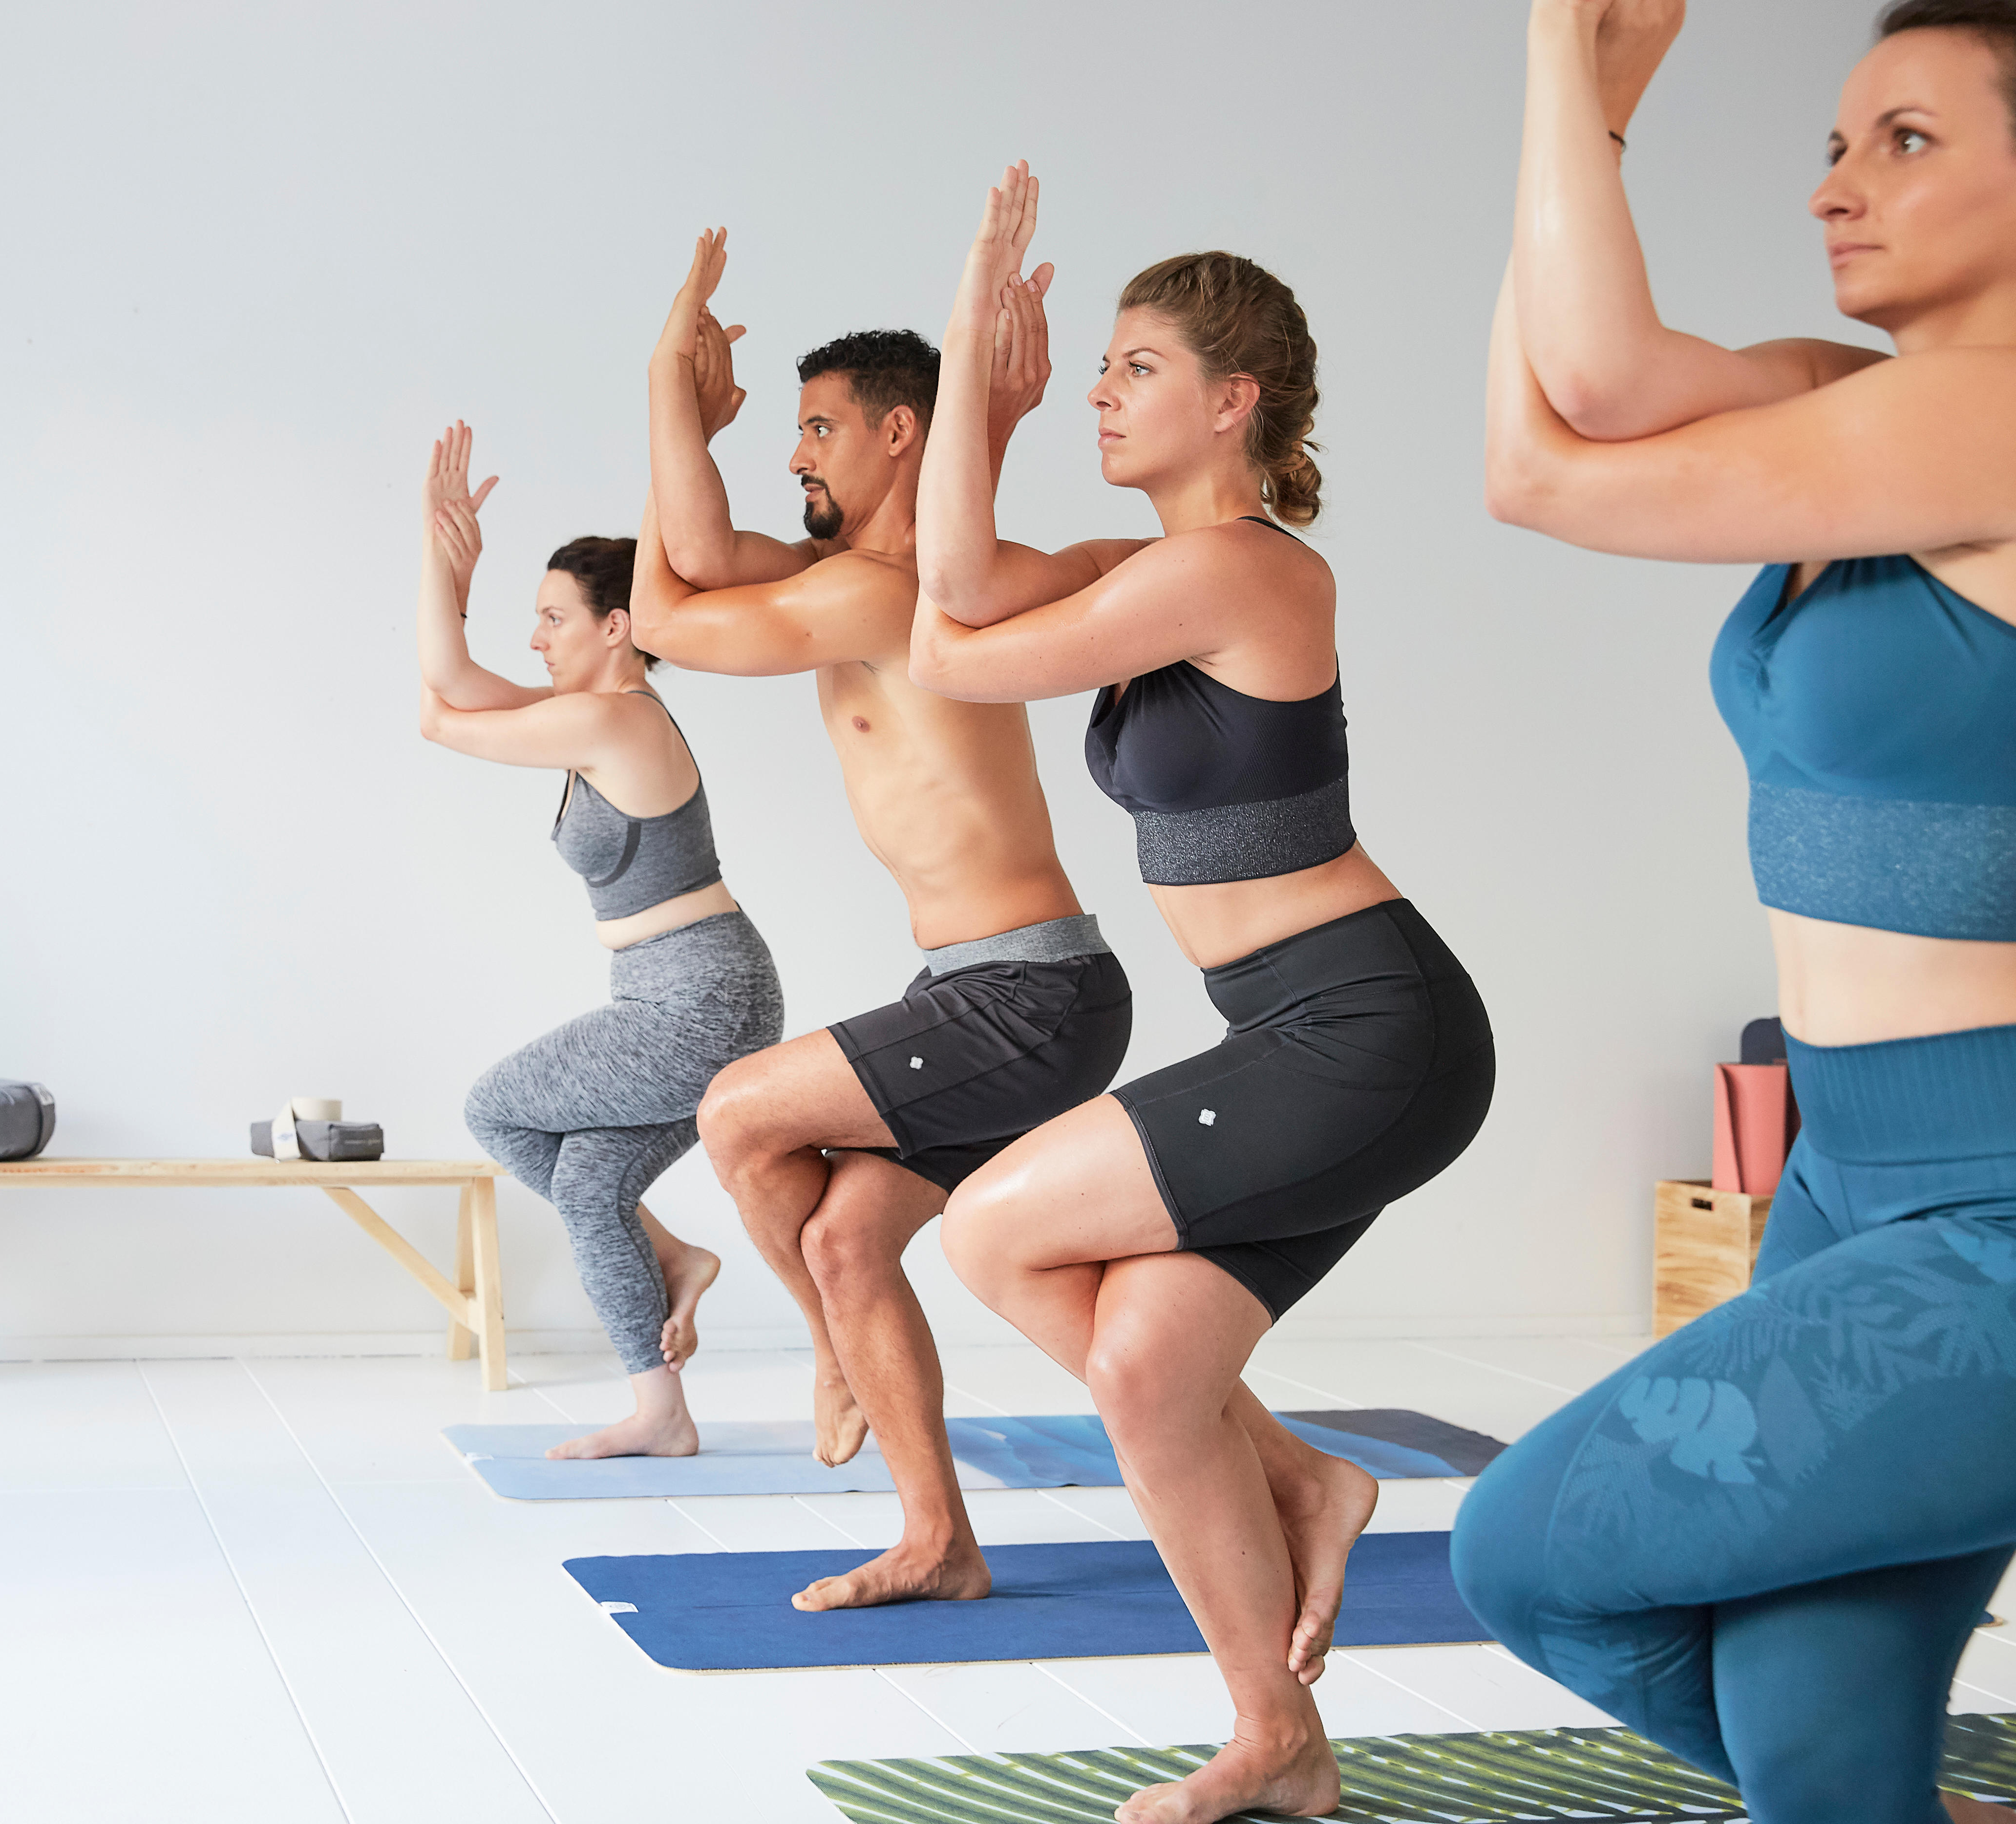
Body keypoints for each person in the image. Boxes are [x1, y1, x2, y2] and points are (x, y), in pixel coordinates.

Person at [1451, 3, 2016, 1819]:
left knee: (1527, 1547)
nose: (1835, 185)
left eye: (1905, 141)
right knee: (1818, 1749)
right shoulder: (1849, 408)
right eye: (1837, 142)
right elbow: (1578, 385)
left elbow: (1544, 465)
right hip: (1847, 1180)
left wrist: (1559, 48)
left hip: (2000, 1200)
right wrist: (1584, 109)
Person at [908, 165, 1496, 1824]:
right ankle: (1278, 1738)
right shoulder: (1141, 563)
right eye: (1094, 365)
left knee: (996, 1228)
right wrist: (987, 382)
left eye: (1134, 366)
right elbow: (957, 579)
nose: (1099, 388)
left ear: (1233, 400)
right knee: (1150, 1369)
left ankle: (1305, 1470)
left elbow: (947, 648)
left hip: (1364, 1025)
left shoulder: (1242, 570)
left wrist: (972, 356)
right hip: (1301, 1033)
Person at [628, 233, 1134, 1611]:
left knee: (737, 1110)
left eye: (818, 431)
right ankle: (939, 1537)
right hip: (1008, 984)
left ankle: (833, 1348)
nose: (798, 457)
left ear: (897, 432)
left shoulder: (868, 593)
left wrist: (671, 387)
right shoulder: (907, 574)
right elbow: (697, 555)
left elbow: (664, 596)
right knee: (847, 1238)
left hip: (1021, 994)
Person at [416, 423, 784, 1459]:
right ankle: (661, 1408)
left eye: (551, 619)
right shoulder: (588, 714)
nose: (535, 639)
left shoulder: (613, 724)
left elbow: (437, 717)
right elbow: (450, 682)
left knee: (495, 1105)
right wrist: (448, 566)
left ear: (617, 626)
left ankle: (669, 1257)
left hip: (700, 1002)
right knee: (586, 1184)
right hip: (672, 996)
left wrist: (444, 576)